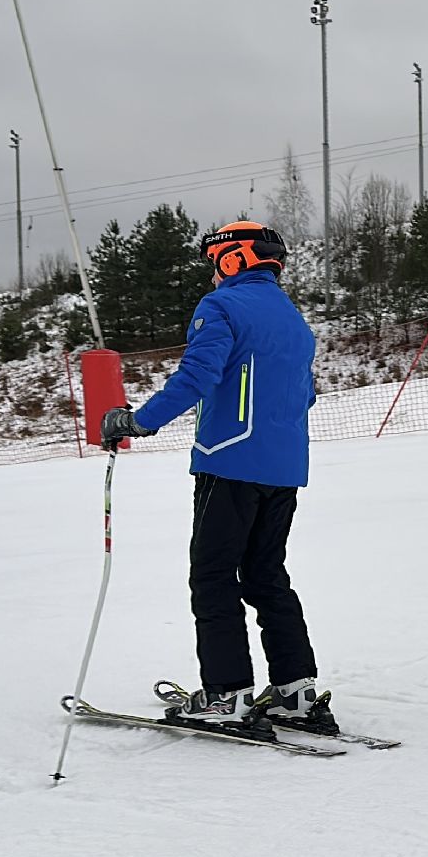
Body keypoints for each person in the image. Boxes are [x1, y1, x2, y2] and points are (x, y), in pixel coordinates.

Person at [100, 220, 327, 734]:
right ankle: (296, 693)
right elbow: (305, 394)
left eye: (215, 261)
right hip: (285, 469)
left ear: (234, 259)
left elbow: (196, 377)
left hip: (229, 463)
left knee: (213, 575)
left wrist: (139, 420)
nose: (212, 273)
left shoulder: (222, 307)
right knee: (266, 575)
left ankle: (227, 695)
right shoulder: (293, 319)